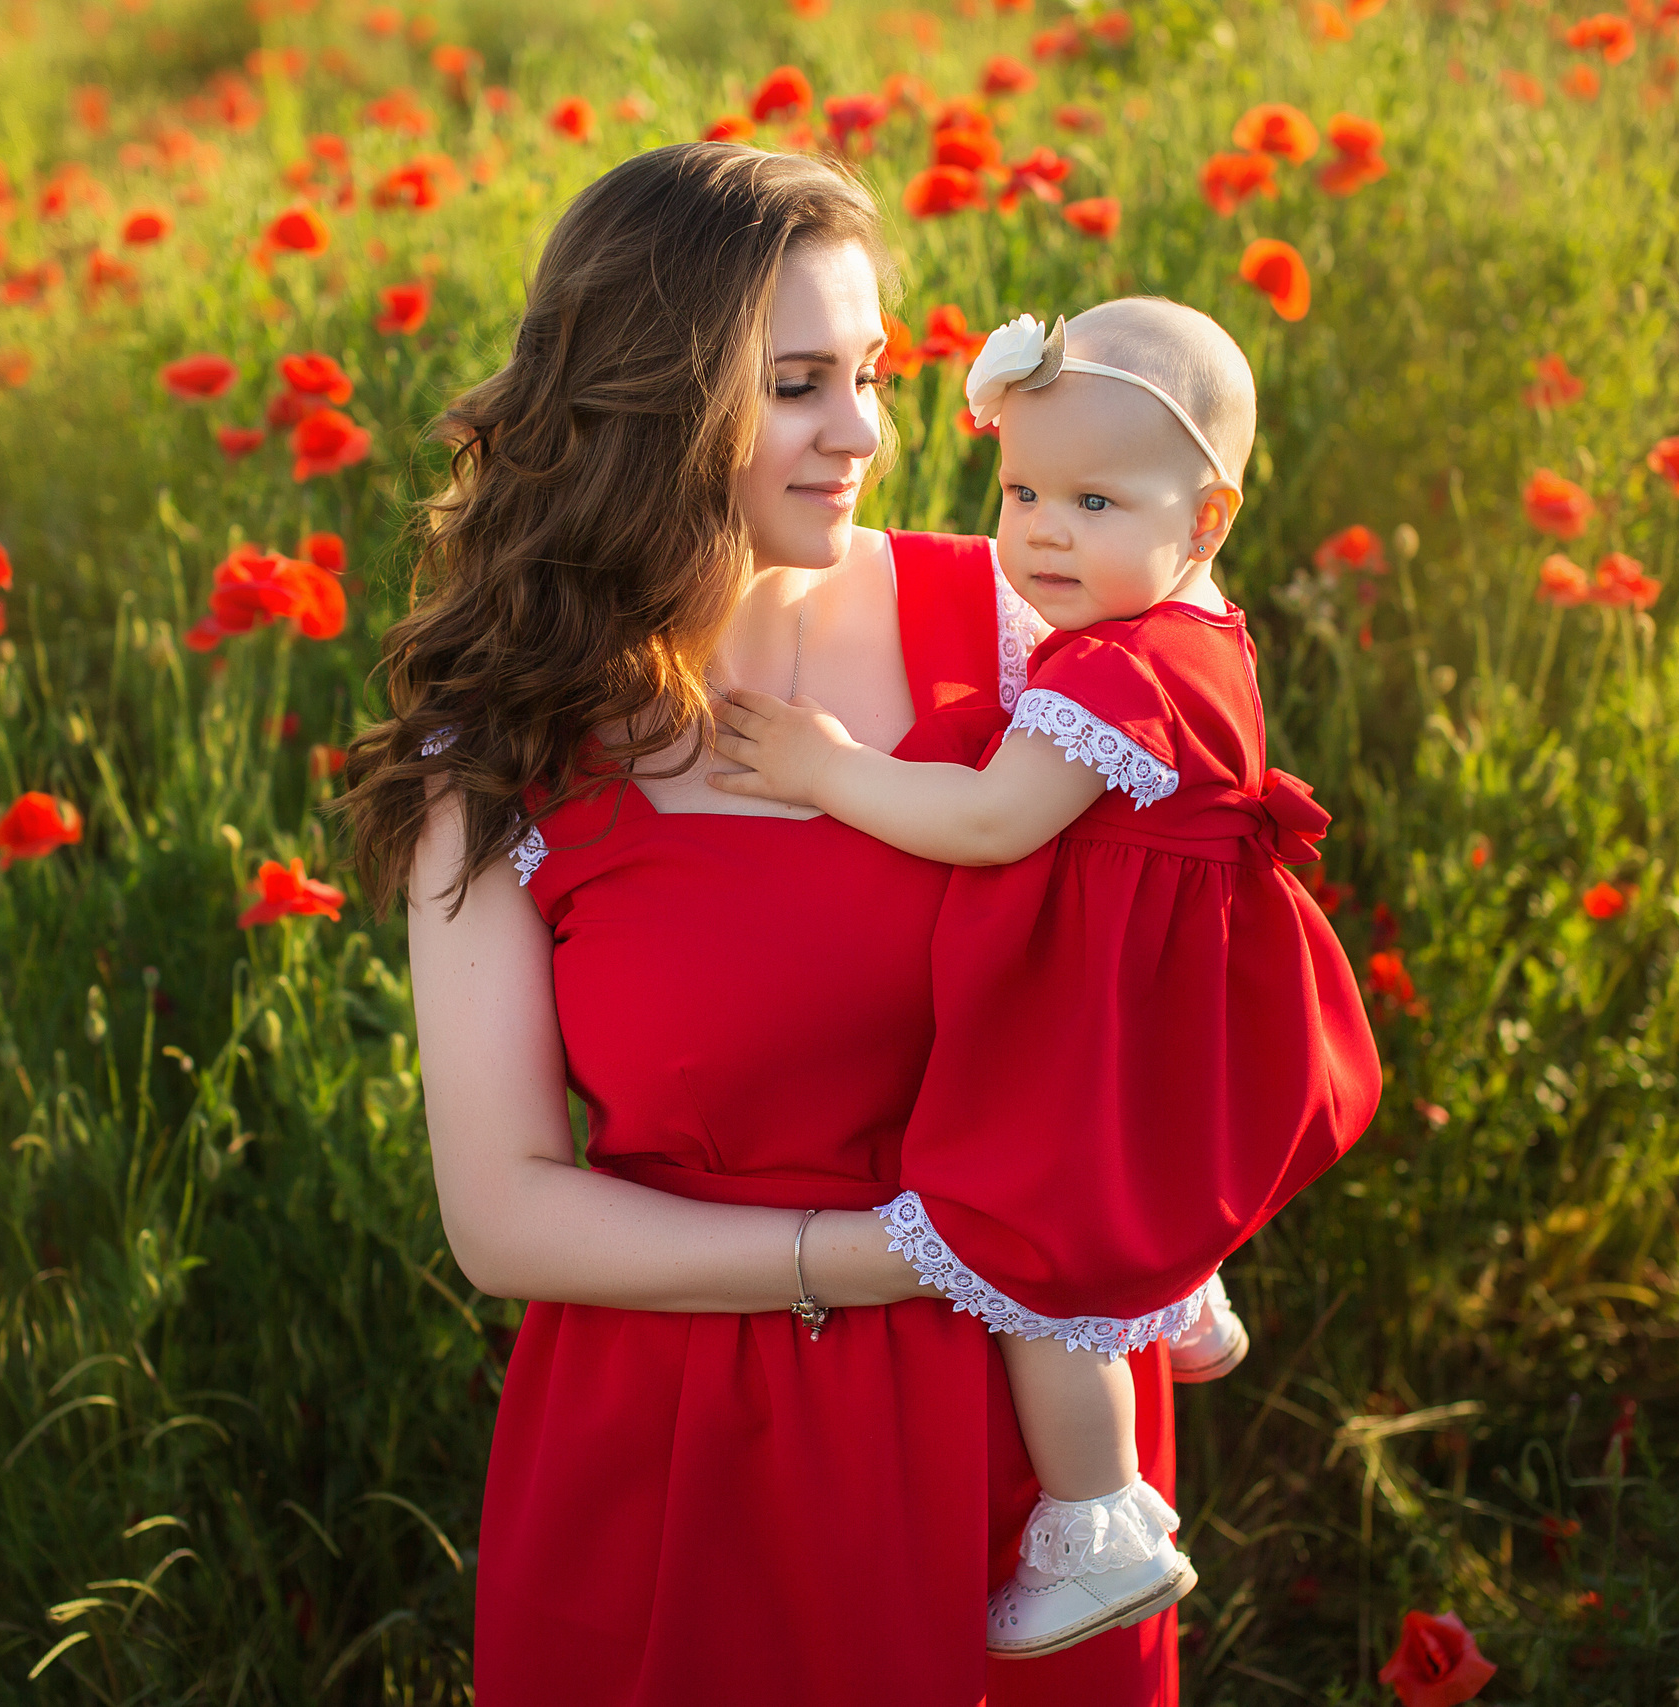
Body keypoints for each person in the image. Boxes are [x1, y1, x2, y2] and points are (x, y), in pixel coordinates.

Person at [342, 144, 1184, 1703]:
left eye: (870, 373)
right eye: (797, 386)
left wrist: (1153, 1226)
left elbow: (1193, 956)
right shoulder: (504, 751)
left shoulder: (1024, 644)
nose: (863, 431)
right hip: (688, 1444)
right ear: (652, 406)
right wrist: (890, 1257)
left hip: (1029, 1435)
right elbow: (503, 1214)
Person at [709, 300, 1383, 1657]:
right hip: (1173, 992)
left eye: (1093, 501)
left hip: (1108, 1007)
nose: (1043, 533)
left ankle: (1097, 1521)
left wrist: (824, 766)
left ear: (1207, 521)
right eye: (1022, 493)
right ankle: (1181, 1288)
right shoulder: (1195, 628)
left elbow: (987, 822)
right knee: (1139, 1159)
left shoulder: (1118, 675)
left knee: (1035, 1248)